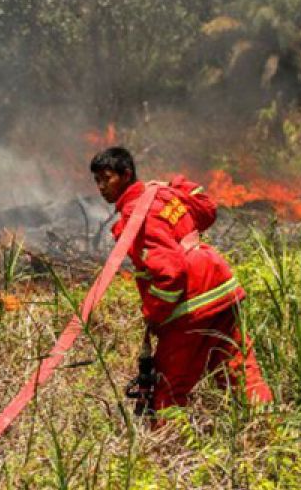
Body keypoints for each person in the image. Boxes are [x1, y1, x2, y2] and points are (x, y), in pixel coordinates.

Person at [90, 146, 273, 413]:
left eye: (106, 178)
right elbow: (207, 211)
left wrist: (154, 314)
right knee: (241, 371)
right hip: (221, 290)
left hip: (192, 303)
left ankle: (164, 447)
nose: (101, 187)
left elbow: (170, 272)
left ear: (126, 174)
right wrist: (178, 184)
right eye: (97, 181)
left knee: (168, 387)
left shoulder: (136, 214)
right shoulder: (163, 193)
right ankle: (270, 431)